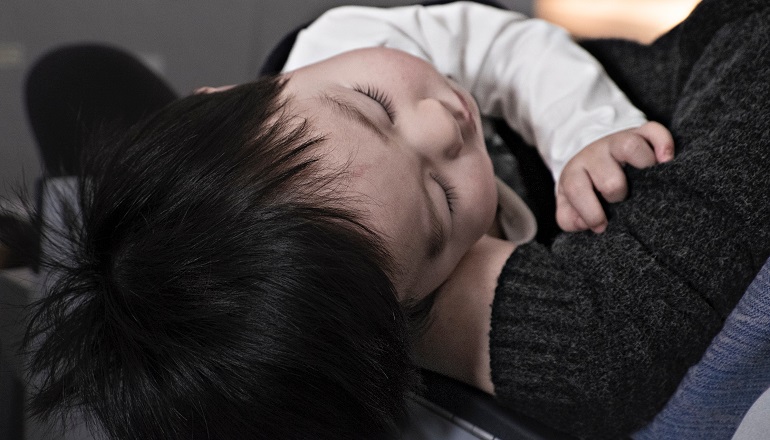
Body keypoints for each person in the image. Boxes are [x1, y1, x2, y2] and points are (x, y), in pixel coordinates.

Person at [19, 1, 770, 439]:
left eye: (374, 108)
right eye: (443, 204)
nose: (444, 128)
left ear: (221, 94)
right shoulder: (388, 281)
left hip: (566, 101)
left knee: (71, 82)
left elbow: (510, 49)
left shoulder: (349, 42)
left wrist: (584, 134)